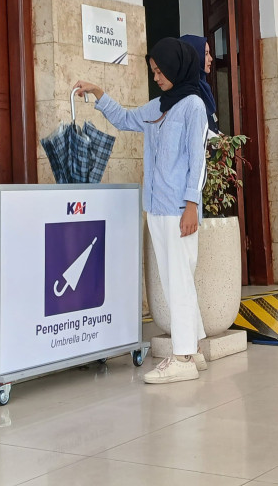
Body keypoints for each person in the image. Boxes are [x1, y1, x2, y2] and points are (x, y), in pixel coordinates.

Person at [74, 38, 209, 382]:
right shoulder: (161, 105)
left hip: (180, 209)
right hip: (157, 209)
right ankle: (193, 351)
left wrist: (192, 205)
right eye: (153, 71)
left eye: (161, 70)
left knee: (177, 280)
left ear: (177, 67)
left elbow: (198, 160)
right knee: (175, 278)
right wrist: (99, 93)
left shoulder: (193, 106)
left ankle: (181, 358)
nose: (158, 76)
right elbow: (125, 118)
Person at [179, 34, 220, 134]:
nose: (211, 58)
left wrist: (218, 136)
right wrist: (213, 138)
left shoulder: (202, 86)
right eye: (206, 54)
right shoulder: (184, 91)